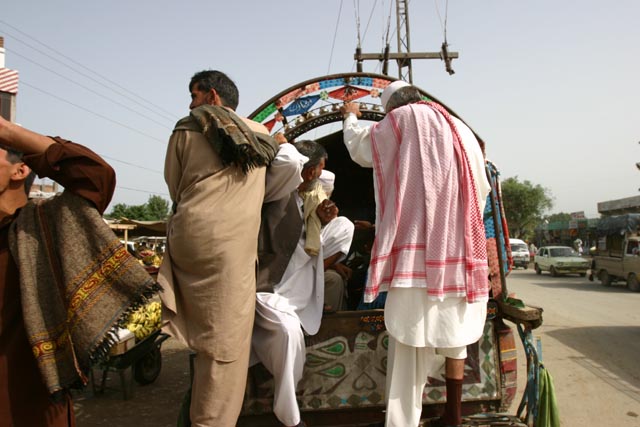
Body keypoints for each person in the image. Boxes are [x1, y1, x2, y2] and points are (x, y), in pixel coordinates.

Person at [340, 81, 491, 427]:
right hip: (462, 254)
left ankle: (402, 422)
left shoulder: (402, 120)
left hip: (416, 256)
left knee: (408, 346)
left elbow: (363, 149)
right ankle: (453, 417)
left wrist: (350, 119)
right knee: (456, 337)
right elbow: (481, 187)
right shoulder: (460, 128)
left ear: (392, 107)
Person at [0, 116, 157, 426]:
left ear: (21, 170)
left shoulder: (43, 230)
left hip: (30, 404)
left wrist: (7, 130)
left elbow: (95, 175)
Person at [158, 70, 287, 427]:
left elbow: (175, 185)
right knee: (225, 346)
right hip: (228, 249)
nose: (190, 103)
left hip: (189, 237)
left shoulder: (185, 130)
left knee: (204, 336)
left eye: (195, 95)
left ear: (212, 96)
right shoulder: (261, 136)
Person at [251, 139, 342, 427]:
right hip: (269, 291)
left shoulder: (309, 200)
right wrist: (286, 143)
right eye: (318, 169)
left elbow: (302, 246)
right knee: (288, 334)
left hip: (299, 292)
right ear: (309, 170)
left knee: (347, 228)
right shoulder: (278, 189)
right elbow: (290, 164)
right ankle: (290, 419)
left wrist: (323, 222)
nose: (319, 176)